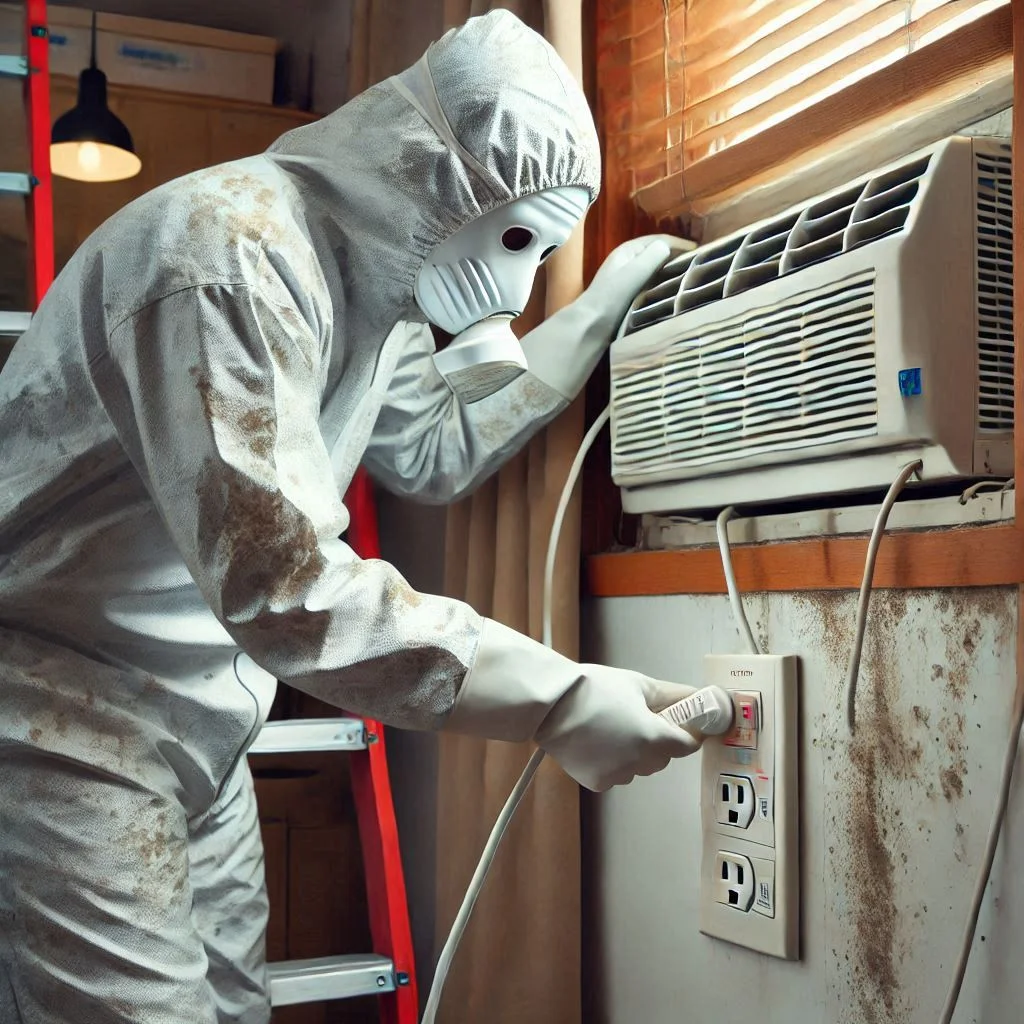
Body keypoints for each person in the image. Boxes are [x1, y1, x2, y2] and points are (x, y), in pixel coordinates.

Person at [0, 10, 701, 1024]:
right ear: (432, 172)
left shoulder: (376, 287)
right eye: (512, 239)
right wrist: (553, 697)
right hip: (62, 717)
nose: (509, 278)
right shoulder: (225, 251)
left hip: (204, 722)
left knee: (233, 1007)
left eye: (534, 249)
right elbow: (283, 585)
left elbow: (430, 450)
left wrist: (592, 311)